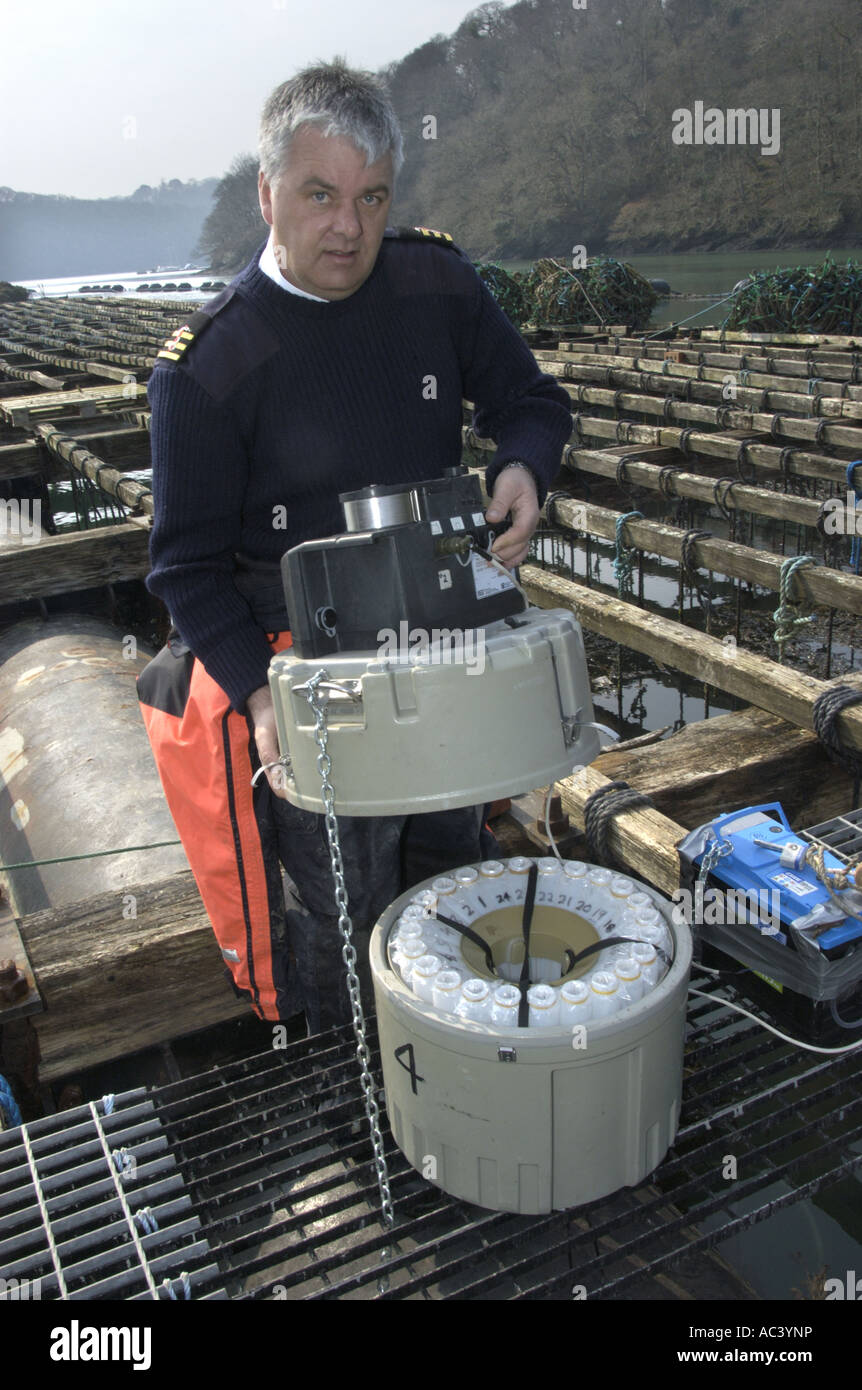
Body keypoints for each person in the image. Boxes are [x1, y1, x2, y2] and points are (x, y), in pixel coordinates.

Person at [136, 59, 573, 1032]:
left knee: (451, 862)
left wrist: (523, 469)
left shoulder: (436, 285)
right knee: (347, 910)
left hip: (439, 638)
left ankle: (461, 1069)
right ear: (267, 194)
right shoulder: (209, 367)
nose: (348, 228)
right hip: (309, 670)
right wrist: (256, 692)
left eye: (371, 198)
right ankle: (358, 1101)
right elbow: (186, 571)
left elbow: (529, 401)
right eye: (320, 195)